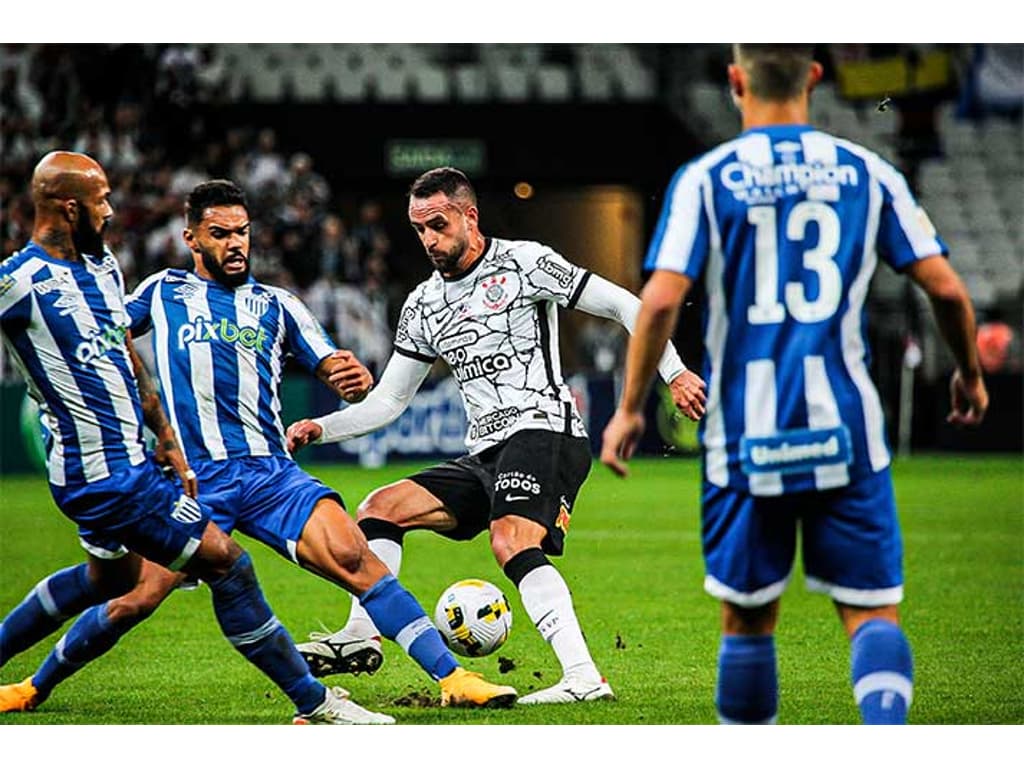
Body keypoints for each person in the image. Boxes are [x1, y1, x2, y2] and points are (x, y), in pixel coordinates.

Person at [0, 174, 515, 718]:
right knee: (134, 597)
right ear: (192, 238)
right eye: (219, 233)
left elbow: (331, 362)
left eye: (242, 232)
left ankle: (454, 677)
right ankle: (35, 686)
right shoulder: (160, 292)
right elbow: (100, 338)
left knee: (352, 555)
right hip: (196, 482)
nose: (235, 243)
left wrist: (349, 378)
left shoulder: (278, 305)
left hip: (270, 474)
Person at [600, 45, 989, 725]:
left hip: (746, 439)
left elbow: (659, 303)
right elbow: (949, 292)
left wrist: (631, 408)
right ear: (815, 76)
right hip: (846, 433)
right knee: (871, 614)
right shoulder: (868, 172)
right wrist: (968, 372)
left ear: (735, 79)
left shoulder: (705, 178)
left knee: (747, 621)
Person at [286, 166, 707, 704]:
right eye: (419, 229)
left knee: (510, 538)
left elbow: (627, 305)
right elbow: (389, 401)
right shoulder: (422, 304)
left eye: (438, 225)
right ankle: (361, 633)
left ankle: (583, 678)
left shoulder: (525, 263)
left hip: (545, 427)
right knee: (379, 507)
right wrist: (321, 427)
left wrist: (675, 373)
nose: (429, 240)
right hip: (485, 452)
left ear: (470, 216)